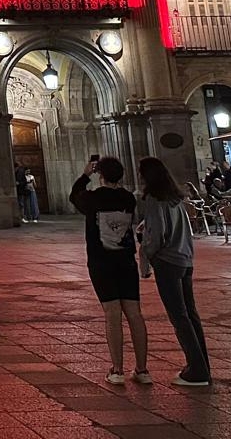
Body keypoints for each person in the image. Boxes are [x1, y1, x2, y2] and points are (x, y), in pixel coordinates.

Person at [71, 157, 150, 386]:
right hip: (126, 261)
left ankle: (117, 370)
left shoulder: (92, 199)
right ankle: (142, 369)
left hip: (101, 262)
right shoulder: (127, 198)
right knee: (134, 314)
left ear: (101, 175)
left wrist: (85, 175)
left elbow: (74, 195)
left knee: (112, 314)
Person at [137, 158, 211, 387]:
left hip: (168, 261)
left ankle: (197, 371)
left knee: (178, 316)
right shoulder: (175, 198)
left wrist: (146, 251)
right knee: (190, 313)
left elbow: (157, 235)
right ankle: (201, 366)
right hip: (185, 260)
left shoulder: (153, 199)